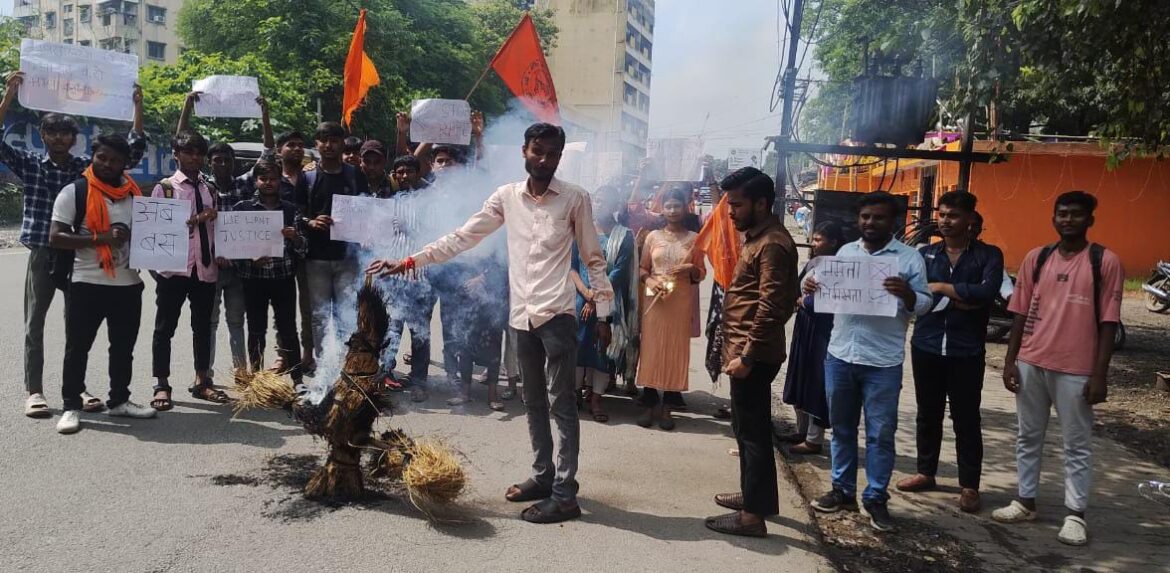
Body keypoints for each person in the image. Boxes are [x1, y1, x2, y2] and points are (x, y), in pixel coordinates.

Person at [367, 122, 613, 524]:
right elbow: (463, 237)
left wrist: (604, 313)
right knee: (533, 402)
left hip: (557, 316)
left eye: (553, 153)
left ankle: (566, 494)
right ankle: (543, 476)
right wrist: (410, 260)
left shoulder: (575, 199)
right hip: (522, 315)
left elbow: (593, 258)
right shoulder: (506, 197)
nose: (546, 160)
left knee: (561, 404)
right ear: (525, 152)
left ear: (560, 157)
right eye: (539, 151)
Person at [1, 70, 146, 418]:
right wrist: (8, 96)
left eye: (65, 132)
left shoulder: (87, 168)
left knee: (76, 327)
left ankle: (76, 390)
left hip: (81, 253)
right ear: (43, 135)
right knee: (34, 322)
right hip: (44, 249)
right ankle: (34, 391)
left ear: (74, 138)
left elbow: (134, 150)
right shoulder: (31, 164)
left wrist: (137, 106)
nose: (58, 137)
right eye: (51, 131)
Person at [991, 191, 1122, 547]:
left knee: (1076, 444)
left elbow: (1109, 322)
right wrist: (1010, 360)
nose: (1068, 220)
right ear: (1053, 217)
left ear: (1089, 219)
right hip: (1032, 361)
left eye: (1076, 214)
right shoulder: (1039, 257)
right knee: (1027, 435)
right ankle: (1025, 501)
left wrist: (1100, 374)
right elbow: (1018, 312)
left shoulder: (1104, 261)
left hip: (1077, 368)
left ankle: (1075, 515)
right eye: (1062, 214)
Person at [806, 191, 931, 532]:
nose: (870, 223)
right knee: (842, 429)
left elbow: (925, 304)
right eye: (865, 217)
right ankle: (842, 490)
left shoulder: (908, 260)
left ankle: (875, 498)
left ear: (893, 222)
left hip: (883, 361)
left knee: (880, 434)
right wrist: (811, 287)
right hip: (841, 354)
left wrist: (907, 294)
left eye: (877, 217)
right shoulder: (845, 253)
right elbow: (819, 301)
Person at [705, 167, 798, 537]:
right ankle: (752, 498)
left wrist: (746, 356)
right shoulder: (757, 236)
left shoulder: (772, 243)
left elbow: (772, 306)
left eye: (738, 205)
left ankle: (752, 517)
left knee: (753, 434)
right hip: (744, 351)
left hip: (753, 355)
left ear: (761, 203)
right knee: (745, 430)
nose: (731, 212)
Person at [897, 191, 1004, 513]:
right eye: (942, 214)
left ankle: (969, 485)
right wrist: (962, 300)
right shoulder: (925, 254)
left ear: (970, 219)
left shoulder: (988, 256)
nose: (945, 220)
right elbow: (916, 295)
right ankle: (925, 472)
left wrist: (942, 289)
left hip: (966, 349)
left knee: (966, 418)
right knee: (927, 413)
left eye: (953, 215)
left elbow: (987, 293)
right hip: (926, 344)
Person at [50, 134, 155, 433]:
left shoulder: (134, 195)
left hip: (128, 284)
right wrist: (101, 238)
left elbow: (148, 234)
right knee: (78, 347)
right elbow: (56, 237)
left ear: (125, 164)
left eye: (115, 161)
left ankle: (119, 401)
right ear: (93, 155)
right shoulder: (76, 191)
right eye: (102, 158)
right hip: (86, 283)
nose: (108, 164)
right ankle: (71, 406)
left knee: (123, 348)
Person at [150, 130, 223, 409]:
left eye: (198, 152)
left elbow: (219, 229)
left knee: (202, 327)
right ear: (176, 154)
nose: (194, 157)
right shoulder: (165, 188)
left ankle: (202, 380)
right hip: (174, 271)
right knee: (164, 328)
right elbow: (158, 230)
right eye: (188, 152)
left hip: (205, 269)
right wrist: (196, 219)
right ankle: (161, 384)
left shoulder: (210, 188)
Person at [296, 122, 368, 365]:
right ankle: (325, 363)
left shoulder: (355, 174)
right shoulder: (307, 176)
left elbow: (368, 209)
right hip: (316, 257)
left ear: (342, 143)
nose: (328, 145)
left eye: (334, 140)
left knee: (347, 315)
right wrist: (310, 221)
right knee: (319, 315)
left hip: (347, 258)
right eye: (323, 140)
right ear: (316, 144)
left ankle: (345, 363)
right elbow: (295, 213)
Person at [231, 158, 307, 384]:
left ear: (280, 181)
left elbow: (304, 248)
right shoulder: (242, 209)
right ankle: (257, 379)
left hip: (283, 278)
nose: (268, 183)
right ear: (255, 181)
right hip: (253, 279)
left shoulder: (291, 209)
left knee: (288, 330)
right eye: (263, 178)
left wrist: (296, 238)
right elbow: (233, 248)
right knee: (256, 329)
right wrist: (248, 260)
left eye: (273, 179)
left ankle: (297, 380)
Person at [634, 187, 704, 430]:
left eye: (677, 205)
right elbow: (643, 269)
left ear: (686, 208)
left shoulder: (695, 239)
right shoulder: (652, 236)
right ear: (661, 209)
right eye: (668, 206)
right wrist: (651, 281)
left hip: (681, 297)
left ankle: (668, 407)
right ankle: (650, 400)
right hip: (655, 293)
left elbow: (701, 273)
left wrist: (689, 269)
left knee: (675, 347)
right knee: (651, 346)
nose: (672, 210)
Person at [570, 185, 635, 423]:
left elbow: (619, 272)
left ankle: (596, 399)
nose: (599, 205)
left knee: (602, 349)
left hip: (609, 301)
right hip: (580, 299)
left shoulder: (624, 235)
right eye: (595, 200)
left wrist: (598, 299)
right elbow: (572, 268)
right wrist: (586, 294)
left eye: (604, 201)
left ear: (615, 205)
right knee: (577, 347)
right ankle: (575, 394)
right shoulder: (579, 231)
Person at [780, 220, 845, 455]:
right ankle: (801, 430)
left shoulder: (841, 268)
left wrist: (805, 301)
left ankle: (814, 439)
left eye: (819, 239)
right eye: (813, 238)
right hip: (805, 326)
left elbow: (834, 299)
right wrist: (801, 299)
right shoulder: (813, 263)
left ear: (834, 242)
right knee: (801, 376)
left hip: (825, 329)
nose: (814, 243)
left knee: (818, 382)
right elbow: (798, 290)